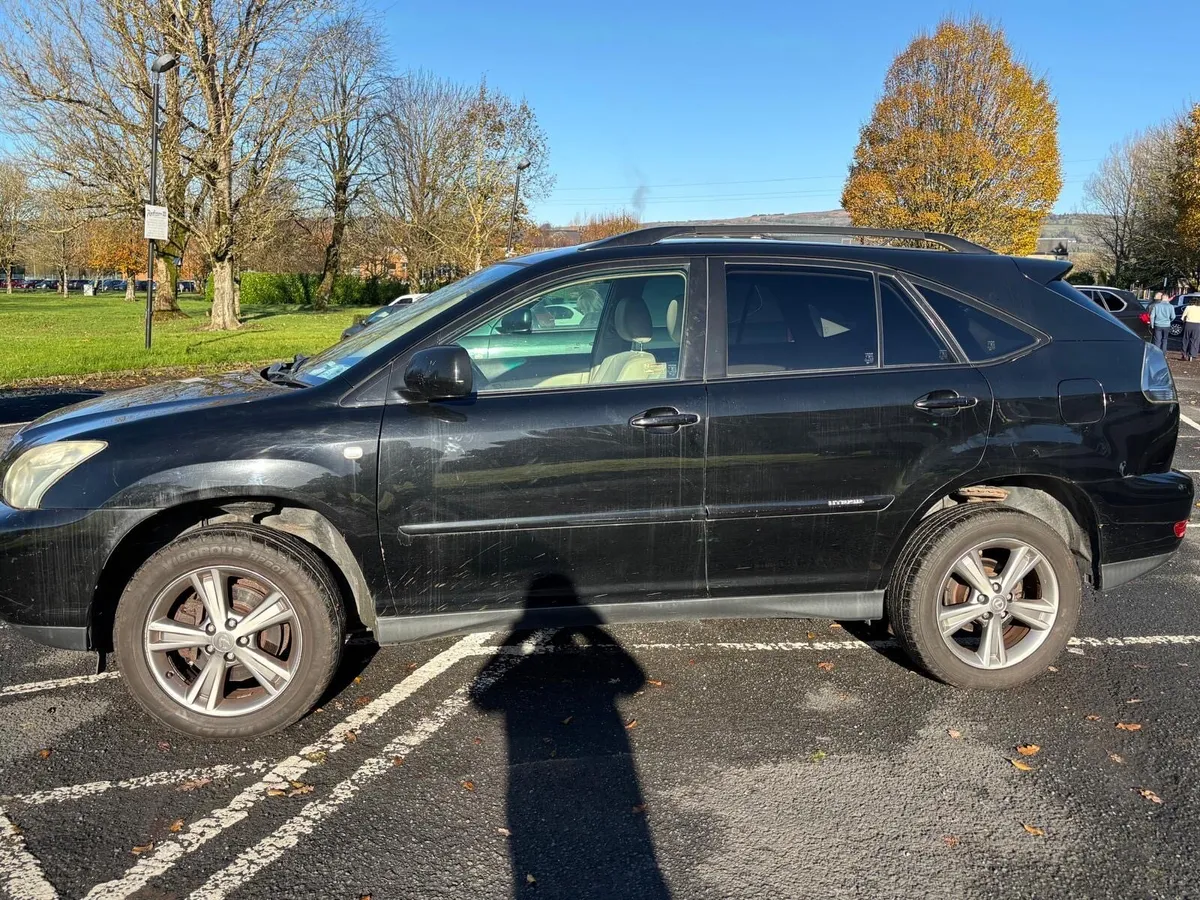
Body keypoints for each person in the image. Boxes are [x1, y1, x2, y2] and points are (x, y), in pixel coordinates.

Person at [1183, 296, 1200, 361]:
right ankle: (1192, 355)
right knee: (1195, 340)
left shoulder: (1188, 307)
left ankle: (1184, 353)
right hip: (1197, 324)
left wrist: (1183, 321)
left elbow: (1183, 316)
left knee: (1186, 339)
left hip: (1188, 324)